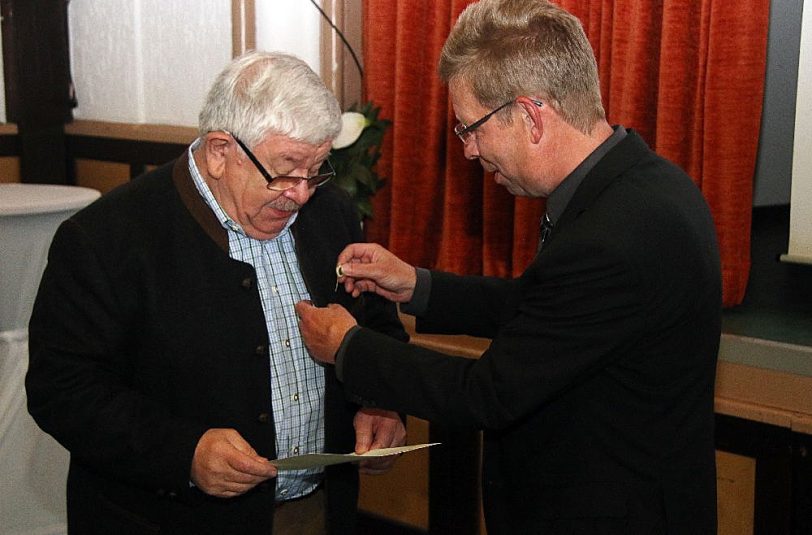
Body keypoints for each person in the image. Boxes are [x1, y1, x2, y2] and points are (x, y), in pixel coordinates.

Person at [295, 0, 722, 533]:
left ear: (530, 116)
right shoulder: (642, 184)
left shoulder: (613, 235)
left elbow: (487, 393)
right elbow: (546, 308)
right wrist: (416, 286)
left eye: (470, 129)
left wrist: (348, 347)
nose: (469, 151)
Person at [26, 50, 409, 535]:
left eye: (316, 169)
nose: (302, 193)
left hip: (314, 511)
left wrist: (381, 401)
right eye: (286, 169)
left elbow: (377, 323)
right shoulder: (106, 238)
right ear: (219, 152)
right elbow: (60, 389)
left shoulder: (330, 212)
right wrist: (183, 452)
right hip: (166, 519)